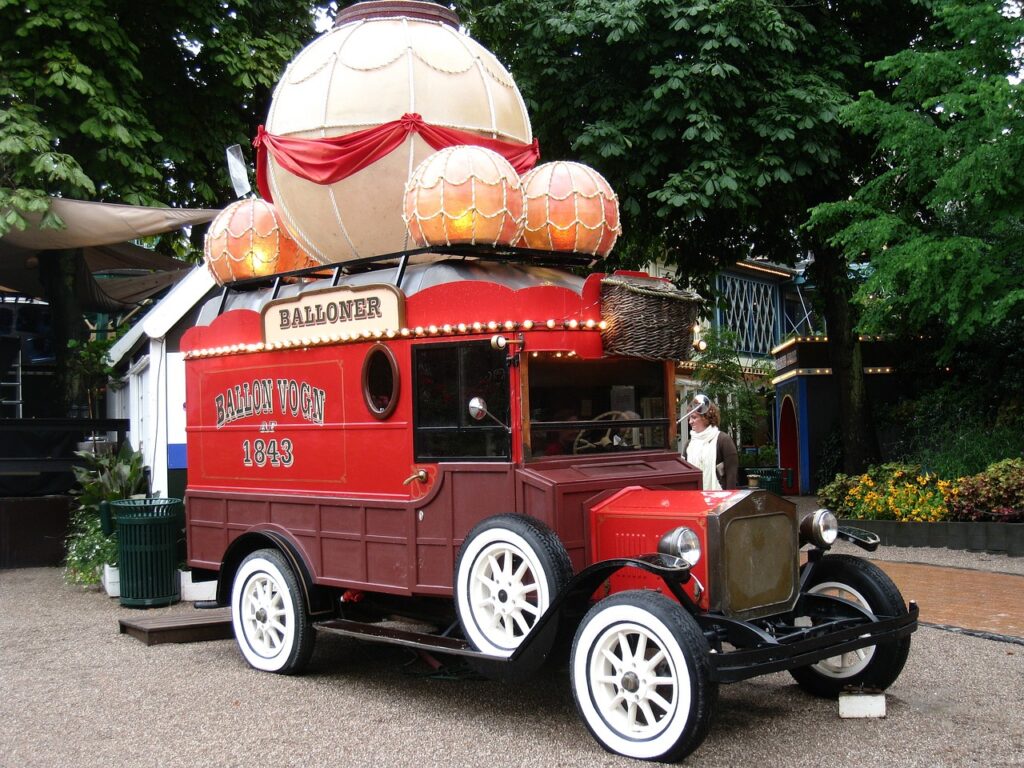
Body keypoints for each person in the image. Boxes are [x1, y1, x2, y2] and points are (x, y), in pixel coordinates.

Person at [683, 400, 738, 490]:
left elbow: (731, 476)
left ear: (705, 417)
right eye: (689, 418)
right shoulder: (689, 444)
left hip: (719, 499)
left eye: (694, 417)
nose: (690, 422)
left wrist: (729, 501)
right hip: (694, 499)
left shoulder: (723, 440)